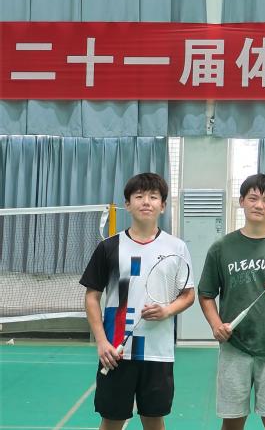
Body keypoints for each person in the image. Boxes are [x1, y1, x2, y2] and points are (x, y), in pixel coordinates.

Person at [80, 172, 195, 430]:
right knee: (112, 420)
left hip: (158, 352)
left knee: (154, 419)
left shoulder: (176, 247)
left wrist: (167, 311)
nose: (146, 202)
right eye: (139, 196)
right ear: (128, 204)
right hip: (115, 351)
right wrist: (102, 342)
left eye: (153, 197)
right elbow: (92, 296)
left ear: (162, 206)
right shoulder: (109, 247)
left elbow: (188, 294)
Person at [198, 173, 265, 430]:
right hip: (234, 347)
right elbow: (206, 294)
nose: (259, 205)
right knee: (232, 421)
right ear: (242, 201)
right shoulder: (222, 247)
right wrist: (216, 325)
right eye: (253, 198)